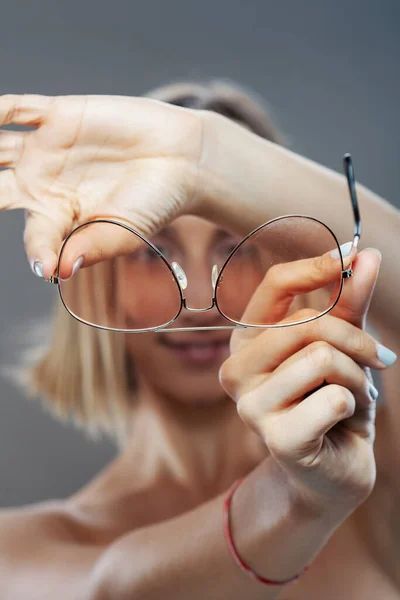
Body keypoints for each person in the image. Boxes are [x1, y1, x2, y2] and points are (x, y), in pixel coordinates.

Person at [0, 81, 398, 600]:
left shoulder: (381, 476)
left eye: (233, 248)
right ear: (98, 280)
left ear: (293, 263)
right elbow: (115, 589)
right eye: (151, 252)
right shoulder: (19, 549)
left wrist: (200, 158)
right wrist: (304, 496)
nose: (201, 303)